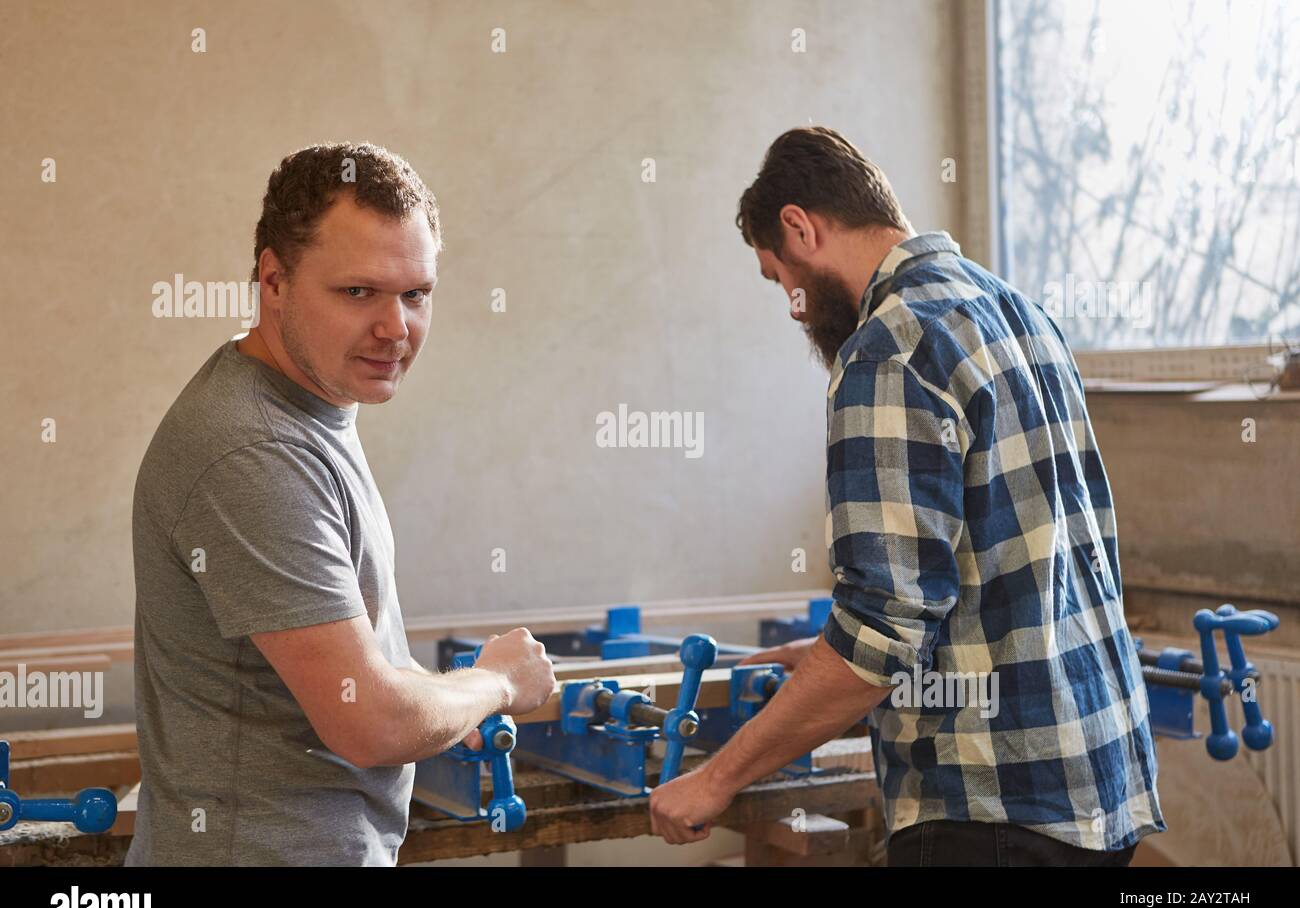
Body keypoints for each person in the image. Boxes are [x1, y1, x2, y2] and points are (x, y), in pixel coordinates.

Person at [649, 127, 1166, 866]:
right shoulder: (1019, 314)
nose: (794, 308)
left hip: (992, 807)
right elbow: (987, 571)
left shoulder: (888, 349)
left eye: (780, 279)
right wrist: (827, 659)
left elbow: (882, 629)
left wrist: (715, 778)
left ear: (801, 227)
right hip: (1099, 780)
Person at [127, 142, 555, 865]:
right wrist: (498, 683)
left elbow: (363, 671)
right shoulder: (254, 452)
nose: (396, 327)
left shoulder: (311, 405)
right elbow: (369, 721)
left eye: (416, 294)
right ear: (274, 281)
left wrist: (448, 700)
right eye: (358, 293)